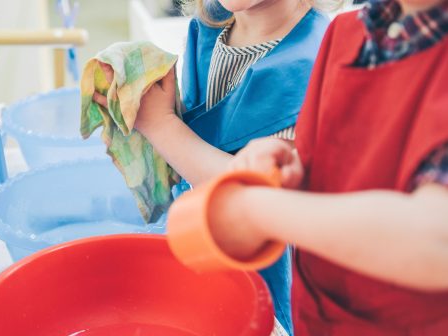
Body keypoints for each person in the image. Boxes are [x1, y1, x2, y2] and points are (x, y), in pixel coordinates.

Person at [190, 0, 448, 334]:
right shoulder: (347, 33)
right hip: (315, 317)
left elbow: (434, 241)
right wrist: (292, 164)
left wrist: (260, 210)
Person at [93, 0, 339, 333]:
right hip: (202, 245)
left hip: (269, 280)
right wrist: (153, 95)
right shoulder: (210, 26)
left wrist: (161, 124)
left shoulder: (314, 65)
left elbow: (257, 199)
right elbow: (206, 136)